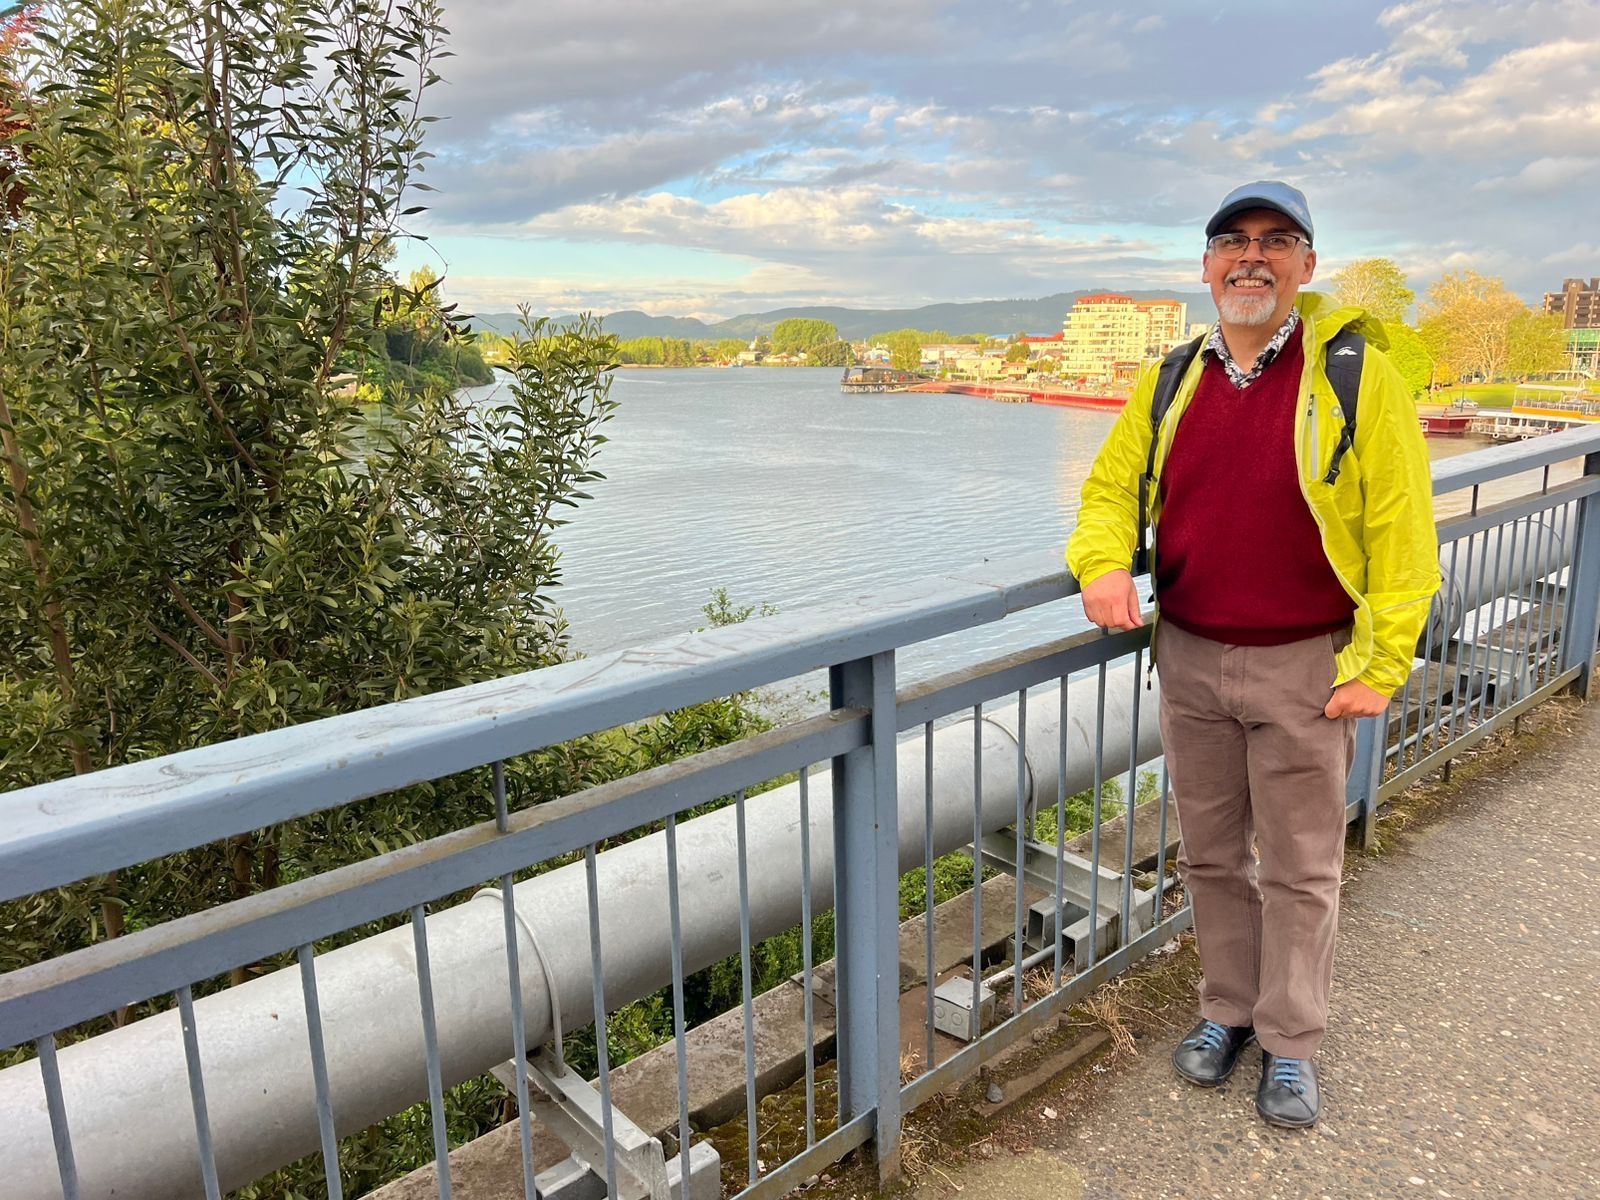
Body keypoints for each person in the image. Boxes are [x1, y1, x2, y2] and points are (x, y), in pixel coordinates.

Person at [1065, 181, 1441, 1128]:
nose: (1251, 257)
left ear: (1307, 266)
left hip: (1305, 664)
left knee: (1303, 865)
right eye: (1231, 241)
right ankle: (1227, 1011)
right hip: (1188, 654)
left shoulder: (1354, 375)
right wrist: (1105, 564)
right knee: (1211, 858)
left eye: (1277, 241)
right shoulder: (1171, 378)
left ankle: (1290, 1042)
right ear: (1205, 266)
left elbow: (1403, 533)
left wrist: (1382, 664)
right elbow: (1111, 491)